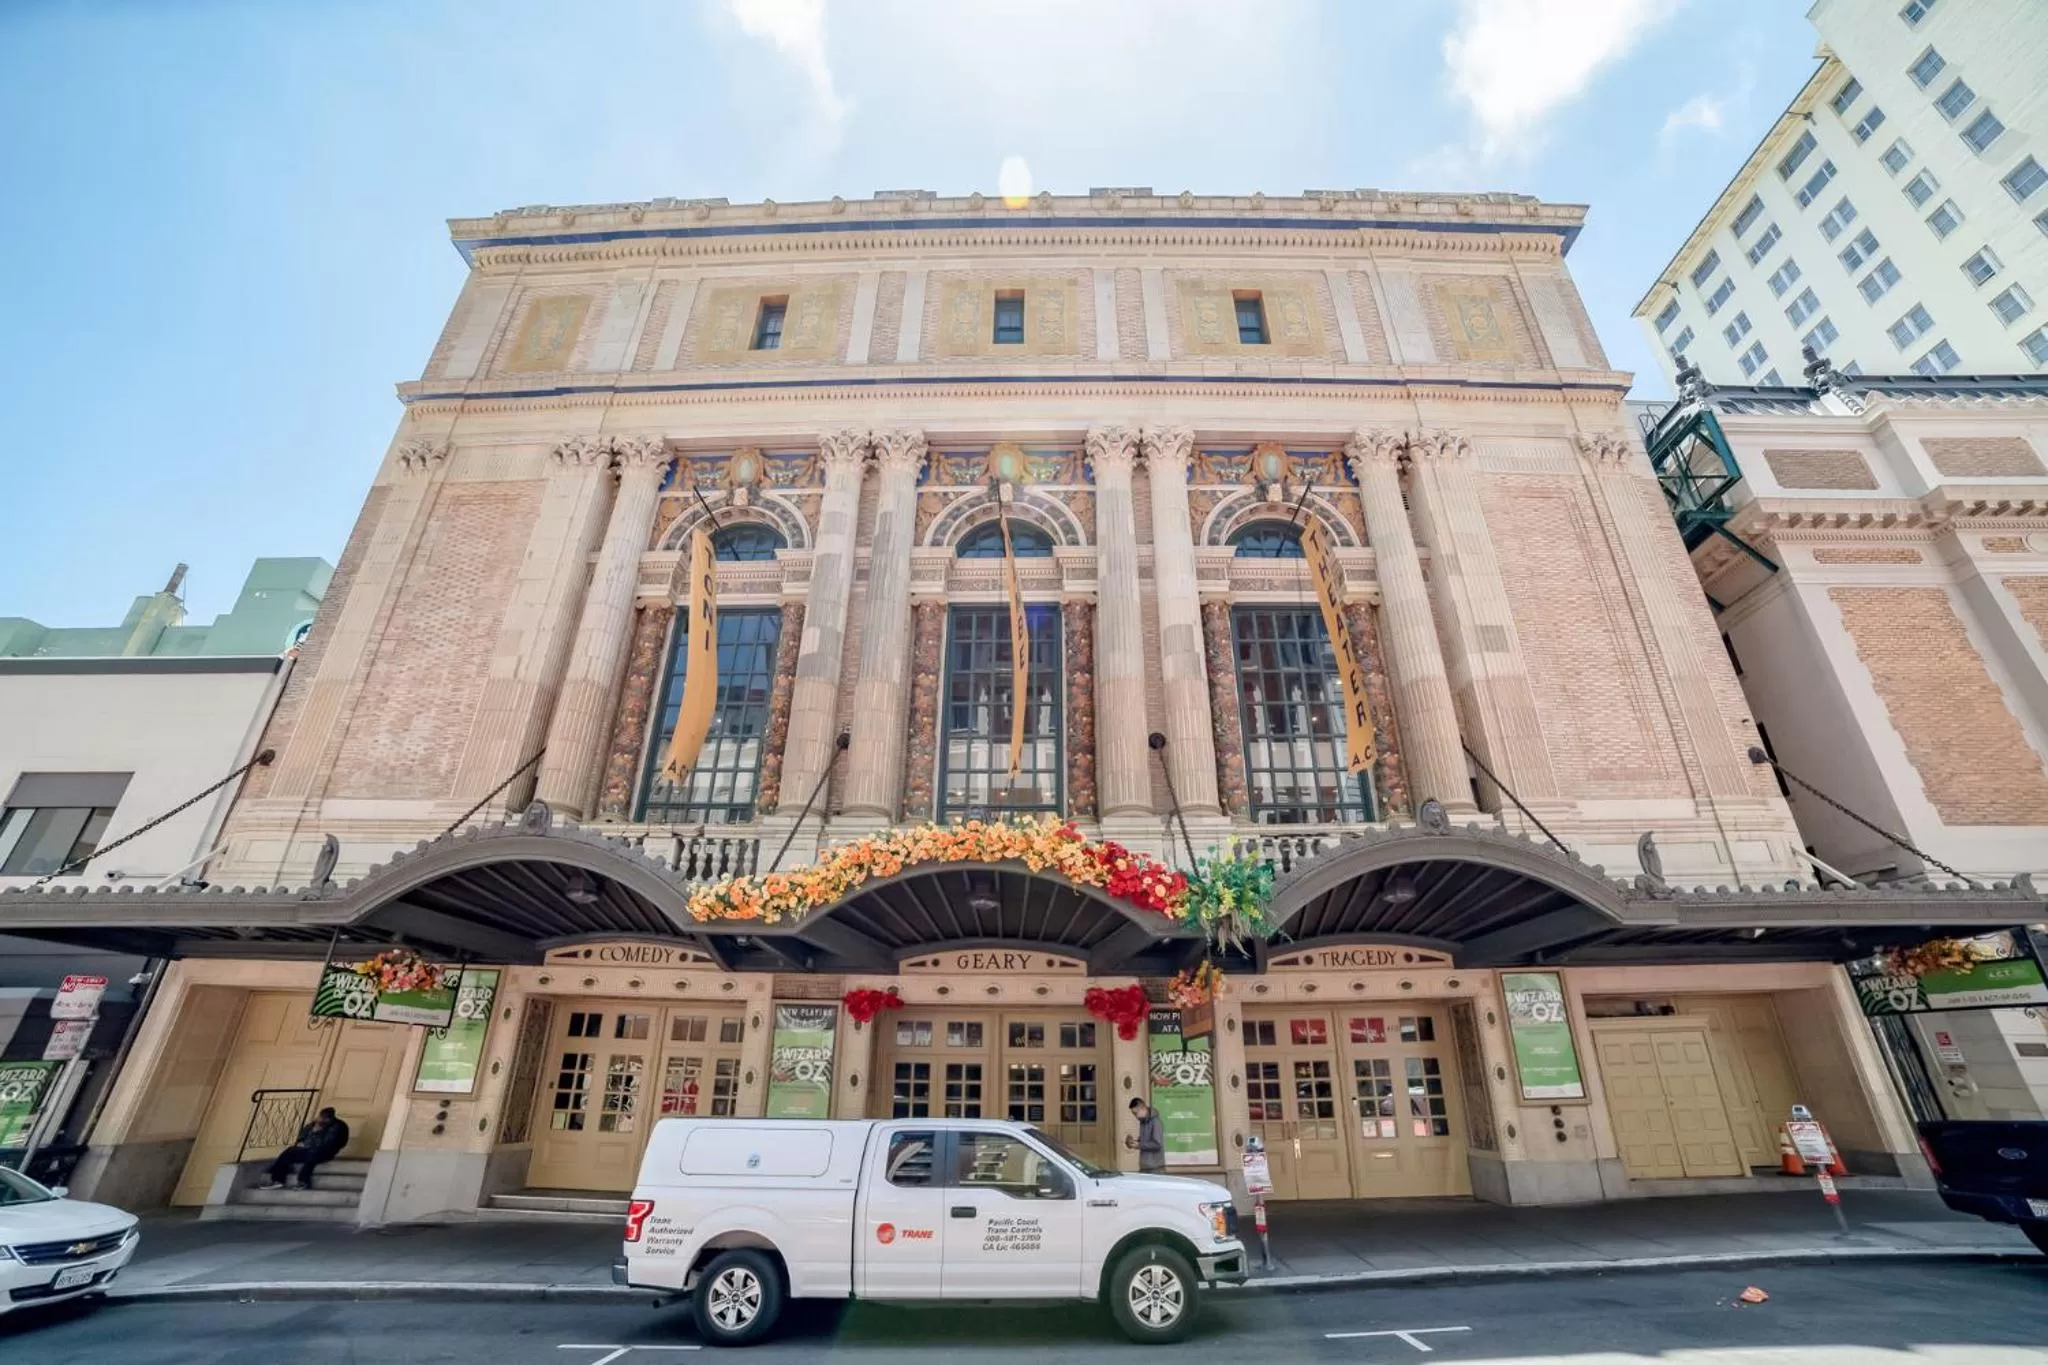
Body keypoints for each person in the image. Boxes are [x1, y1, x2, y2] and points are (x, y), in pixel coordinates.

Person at [257, 1107, 350, 1191]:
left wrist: (317, 1133)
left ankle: (304, 1182)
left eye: (323, 1117)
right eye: (320, 1116)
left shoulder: (337, 1127)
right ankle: (278, 1179)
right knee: (290, 1151)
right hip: (309, 1149)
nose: (320, 1119)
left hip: (326, 1152)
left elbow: (326, 1145)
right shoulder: (314, 1124)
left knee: (313, 1156)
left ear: (329, 1118)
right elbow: (301, 1137)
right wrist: (312, 1132)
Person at [1127, 1097, 1166, 1174]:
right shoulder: (1143, 1121)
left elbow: (1157, 1144)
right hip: (1145, 1166)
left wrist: (1139, 1145)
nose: (1135, 1116)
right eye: (1133, 1114)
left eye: (1135, 1113)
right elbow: (1146, 1140)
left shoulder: (1156, 1122)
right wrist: (1135, 1142)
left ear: (1142, 1108)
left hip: (1155, 1167)